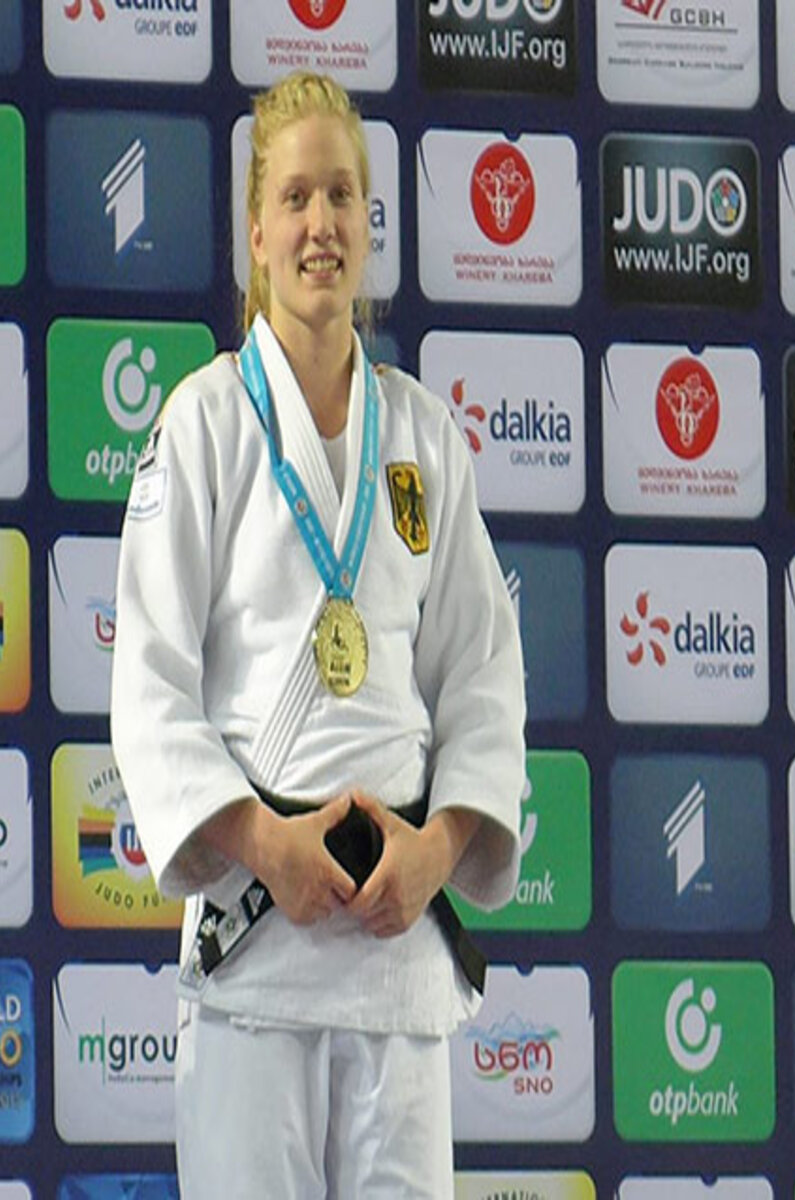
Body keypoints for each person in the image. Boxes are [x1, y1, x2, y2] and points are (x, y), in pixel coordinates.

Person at [110, 70, 526, 1199]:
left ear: (369, 223)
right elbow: (149, 685)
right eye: (295, 198)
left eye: (342, 196)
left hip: (398, 955)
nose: (321, 225)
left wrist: (439, 849)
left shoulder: (424, 437)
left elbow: (483, 676)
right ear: (256, 232)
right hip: (260, 949)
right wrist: (258, 841)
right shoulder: (202, 426)